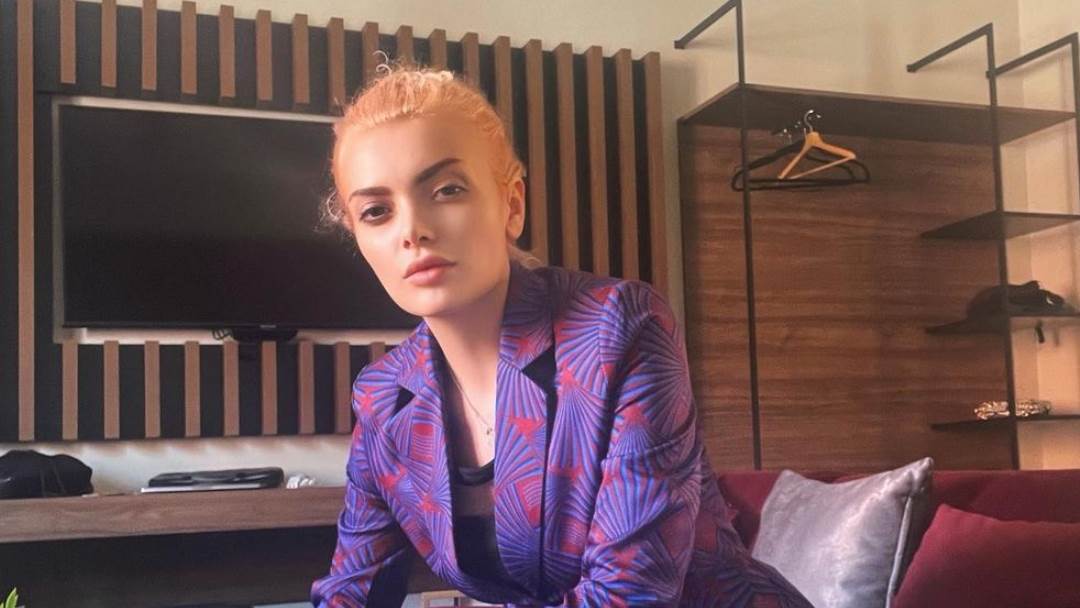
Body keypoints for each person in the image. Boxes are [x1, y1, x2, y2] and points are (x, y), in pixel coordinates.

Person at [309, 57, 811, 607]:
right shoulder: (382, 398)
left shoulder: (618, 329)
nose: (413, 230)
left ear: (512, 205)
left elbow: (630, 593)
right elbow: (352, 589)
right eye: (376, 211)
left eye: (447, 189)